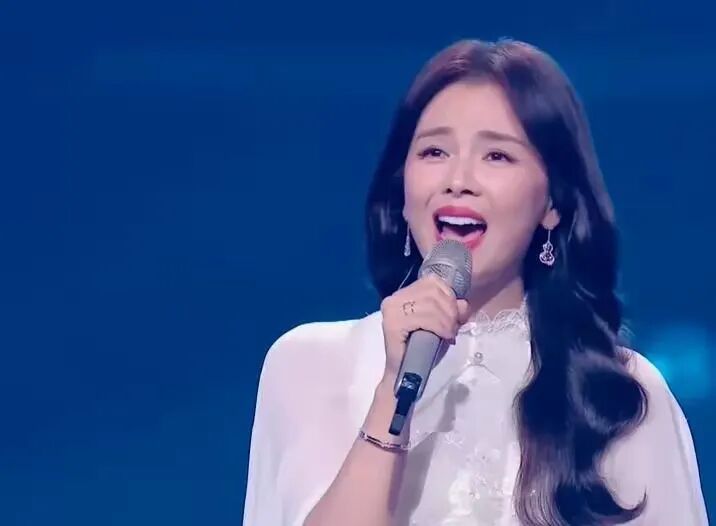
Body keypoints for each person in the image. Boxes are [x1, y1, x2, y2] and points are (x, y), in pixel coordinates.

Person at [242, 39, 709, 526]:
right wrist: (393, 389)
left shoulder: (617, 396)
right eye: (434, 151)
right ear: (402, 190)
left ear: (552, 204)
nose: (458, 179)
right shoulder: (308, 366)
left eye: (497, 156)